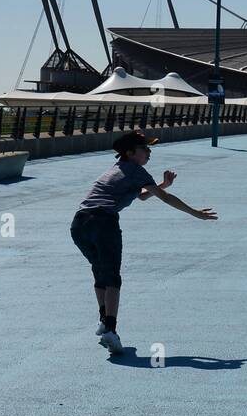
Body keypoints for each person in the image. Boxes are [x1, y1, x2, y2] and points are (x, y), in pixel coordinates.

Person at [72, 131, 217, 355]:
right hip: (103, 222)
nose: (149, 152)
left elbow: (139, 195)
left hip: (79, 224)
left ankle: (103, 321)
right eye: (144, 148)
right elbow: (164, 199)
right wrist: (195, 213)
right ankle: (110, 329)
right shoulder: (136, 170)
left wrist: (162, 185)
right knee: (112, 278)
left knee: (100, 273)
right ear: (130, 153)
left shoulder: (117, 170)